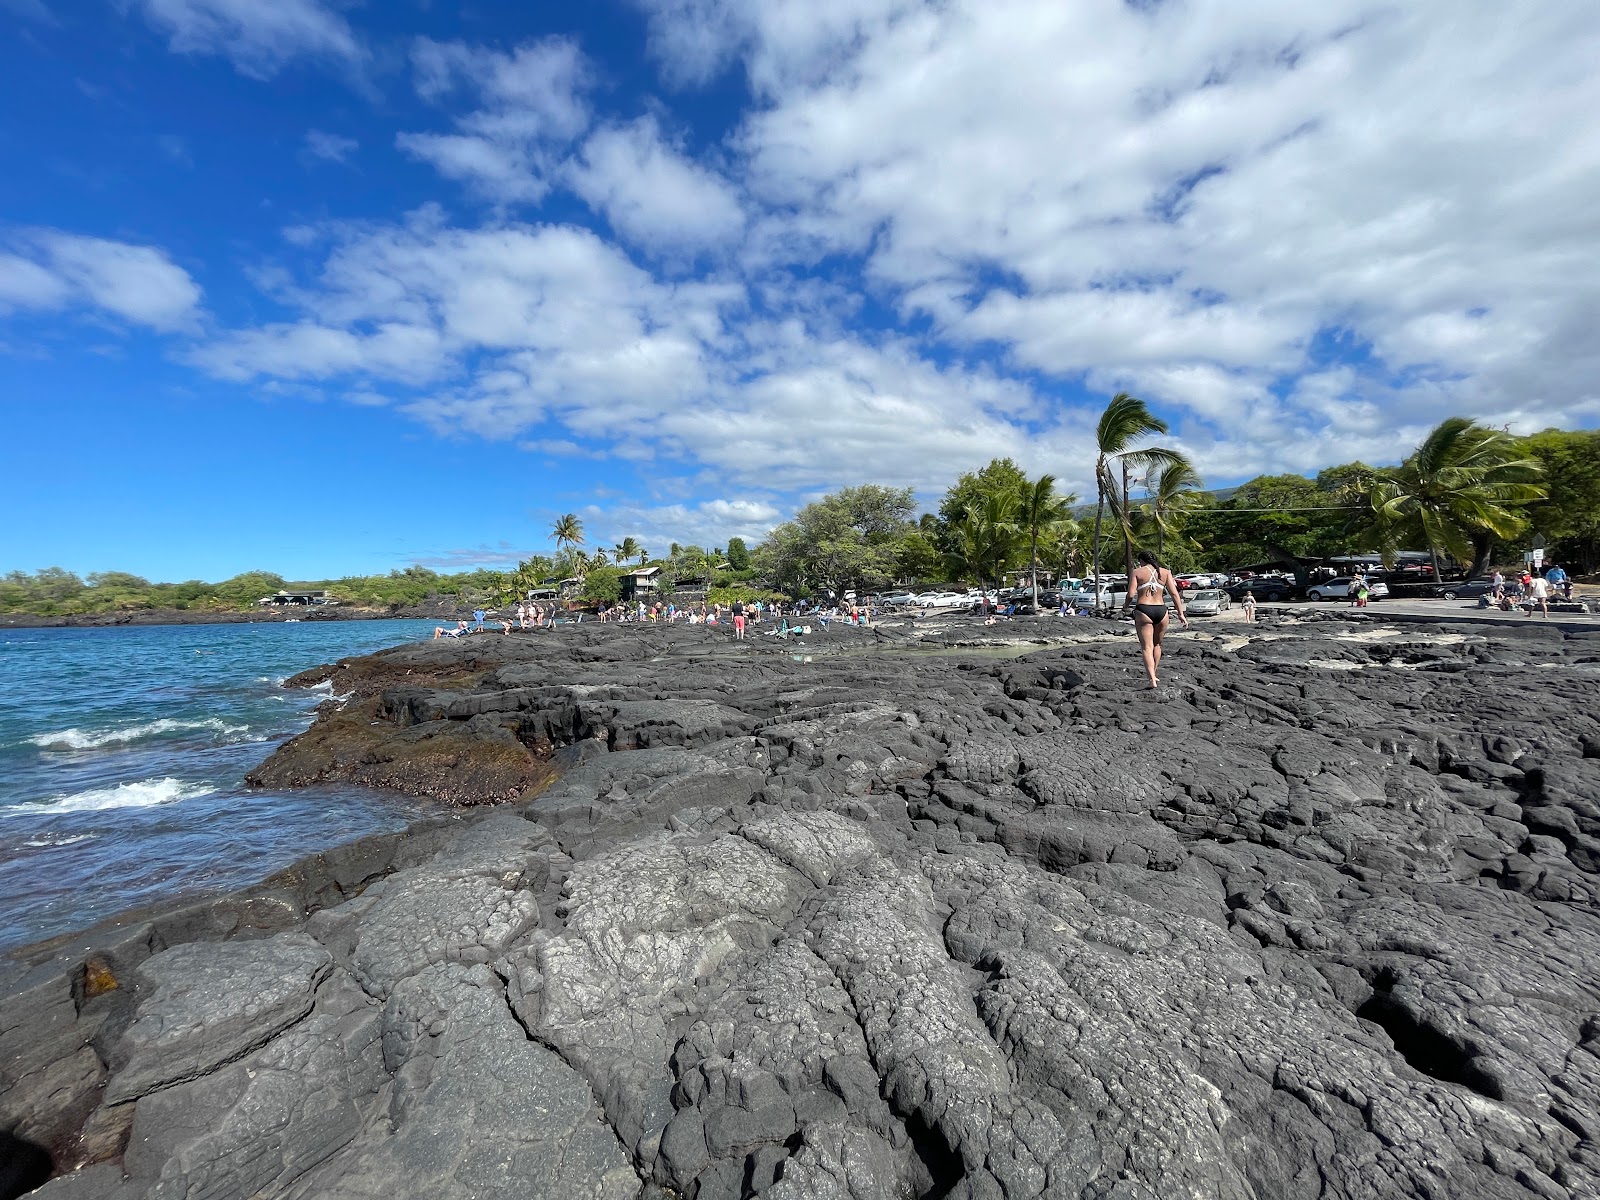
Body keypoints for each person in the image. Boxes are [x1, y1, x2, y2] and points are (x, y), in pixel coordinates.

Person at [1126, 550, 1188, 689]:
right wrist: (1181, 614)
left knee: (1146, 648)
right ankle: (1154, 673)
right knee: (1157, 645)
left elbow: (1130, 594)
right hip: (1162, 611)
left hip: (1144, 610)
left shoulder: (1137, 572)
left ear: (1141, 560)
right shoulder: (1165, 572)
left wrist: (1125, 606)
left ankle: (1152, 680)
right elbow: (1174, 594)